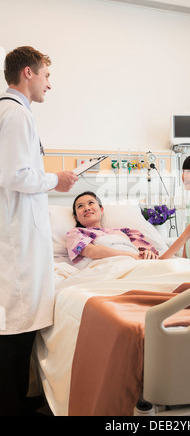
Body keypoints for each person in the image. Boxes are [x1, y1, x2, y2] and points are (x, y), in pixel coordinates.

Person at [0, 46, 78, 415]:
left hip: (18, 236)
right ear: (28, 73)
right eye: (47, 75)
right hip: (18, 241)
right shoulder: (15, 114)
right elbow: (16, 175)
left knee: (16, 326)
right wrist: (57, 179)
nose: (51, 84)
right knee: (15, 331)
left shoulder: (13, 112)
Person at [67, 191, 159, 267]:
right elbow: (91, 251)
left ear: (101, 209)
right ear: (76, 217)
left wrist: (147, 253)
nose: (87, 208)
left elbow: (147, 253)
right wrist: (130, 255)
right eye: (80, 206)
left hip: (137, 264)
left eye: (91, 203)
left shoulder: (126, 232)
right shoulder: (76, 233)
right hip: (108, 267)